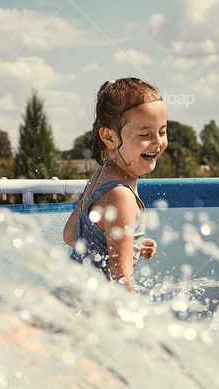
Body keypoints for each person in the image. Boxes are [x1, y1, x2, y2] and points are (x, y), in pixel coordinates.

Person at [63, 78, 161, 290]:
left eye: (162, 131)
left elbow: (71, 235)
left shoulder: (99, 178)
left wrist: (129, 245)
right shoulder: (121, 196)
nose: (157, 142)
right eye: (145, 134)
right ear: (109, 137)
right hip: (92, 312)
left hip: (73, 297)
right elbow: (122, 282)